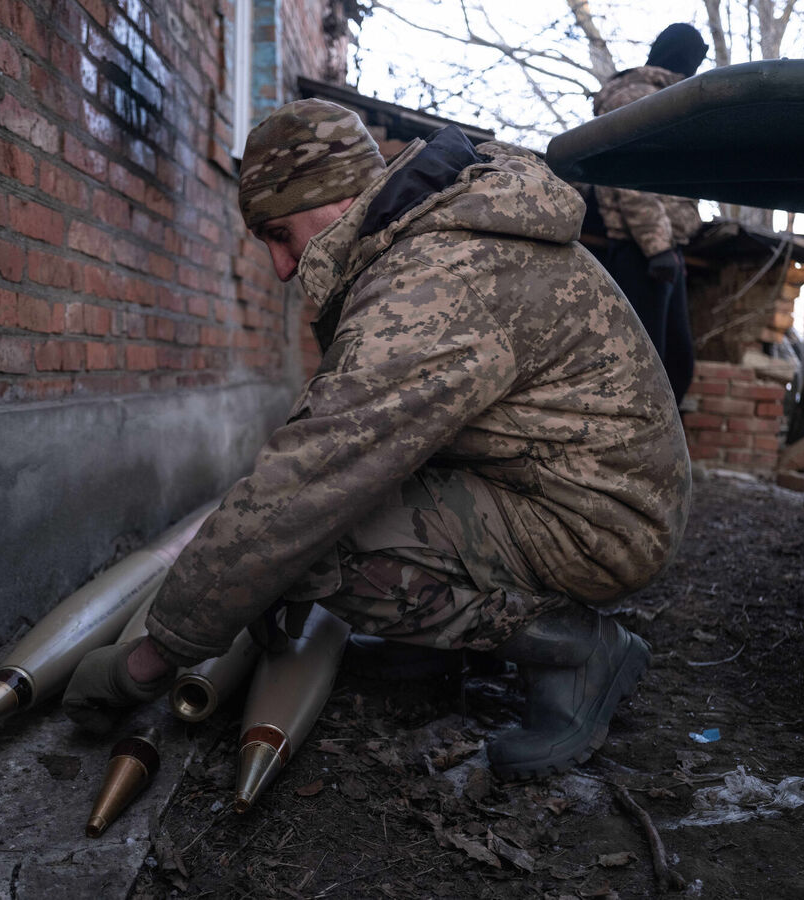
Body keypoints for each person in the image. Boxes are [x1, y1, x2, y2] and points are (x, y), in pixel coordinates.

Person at [62, 99, 691, 779]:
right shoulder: (439, 238)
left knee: (316, 544)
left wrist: (149, 658)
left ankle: (577, 652)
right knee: (320, 518)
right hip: (587, 490)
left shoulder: (432, 283)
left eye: (279, 234)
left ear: (332, 197)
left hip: (598, 526)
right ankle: (436, 645)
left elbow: (306, 485)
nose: (281, 267)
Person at [591, 23, 708, 406]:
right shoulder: (633, 94)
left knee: (676, 367)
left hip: (663, 249)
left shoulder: (669, 96)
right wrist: (658, 249)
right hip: (639, 251)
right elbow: (630, 178)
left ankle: (657, 440)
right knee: (641, 371)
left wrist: (670, 248)